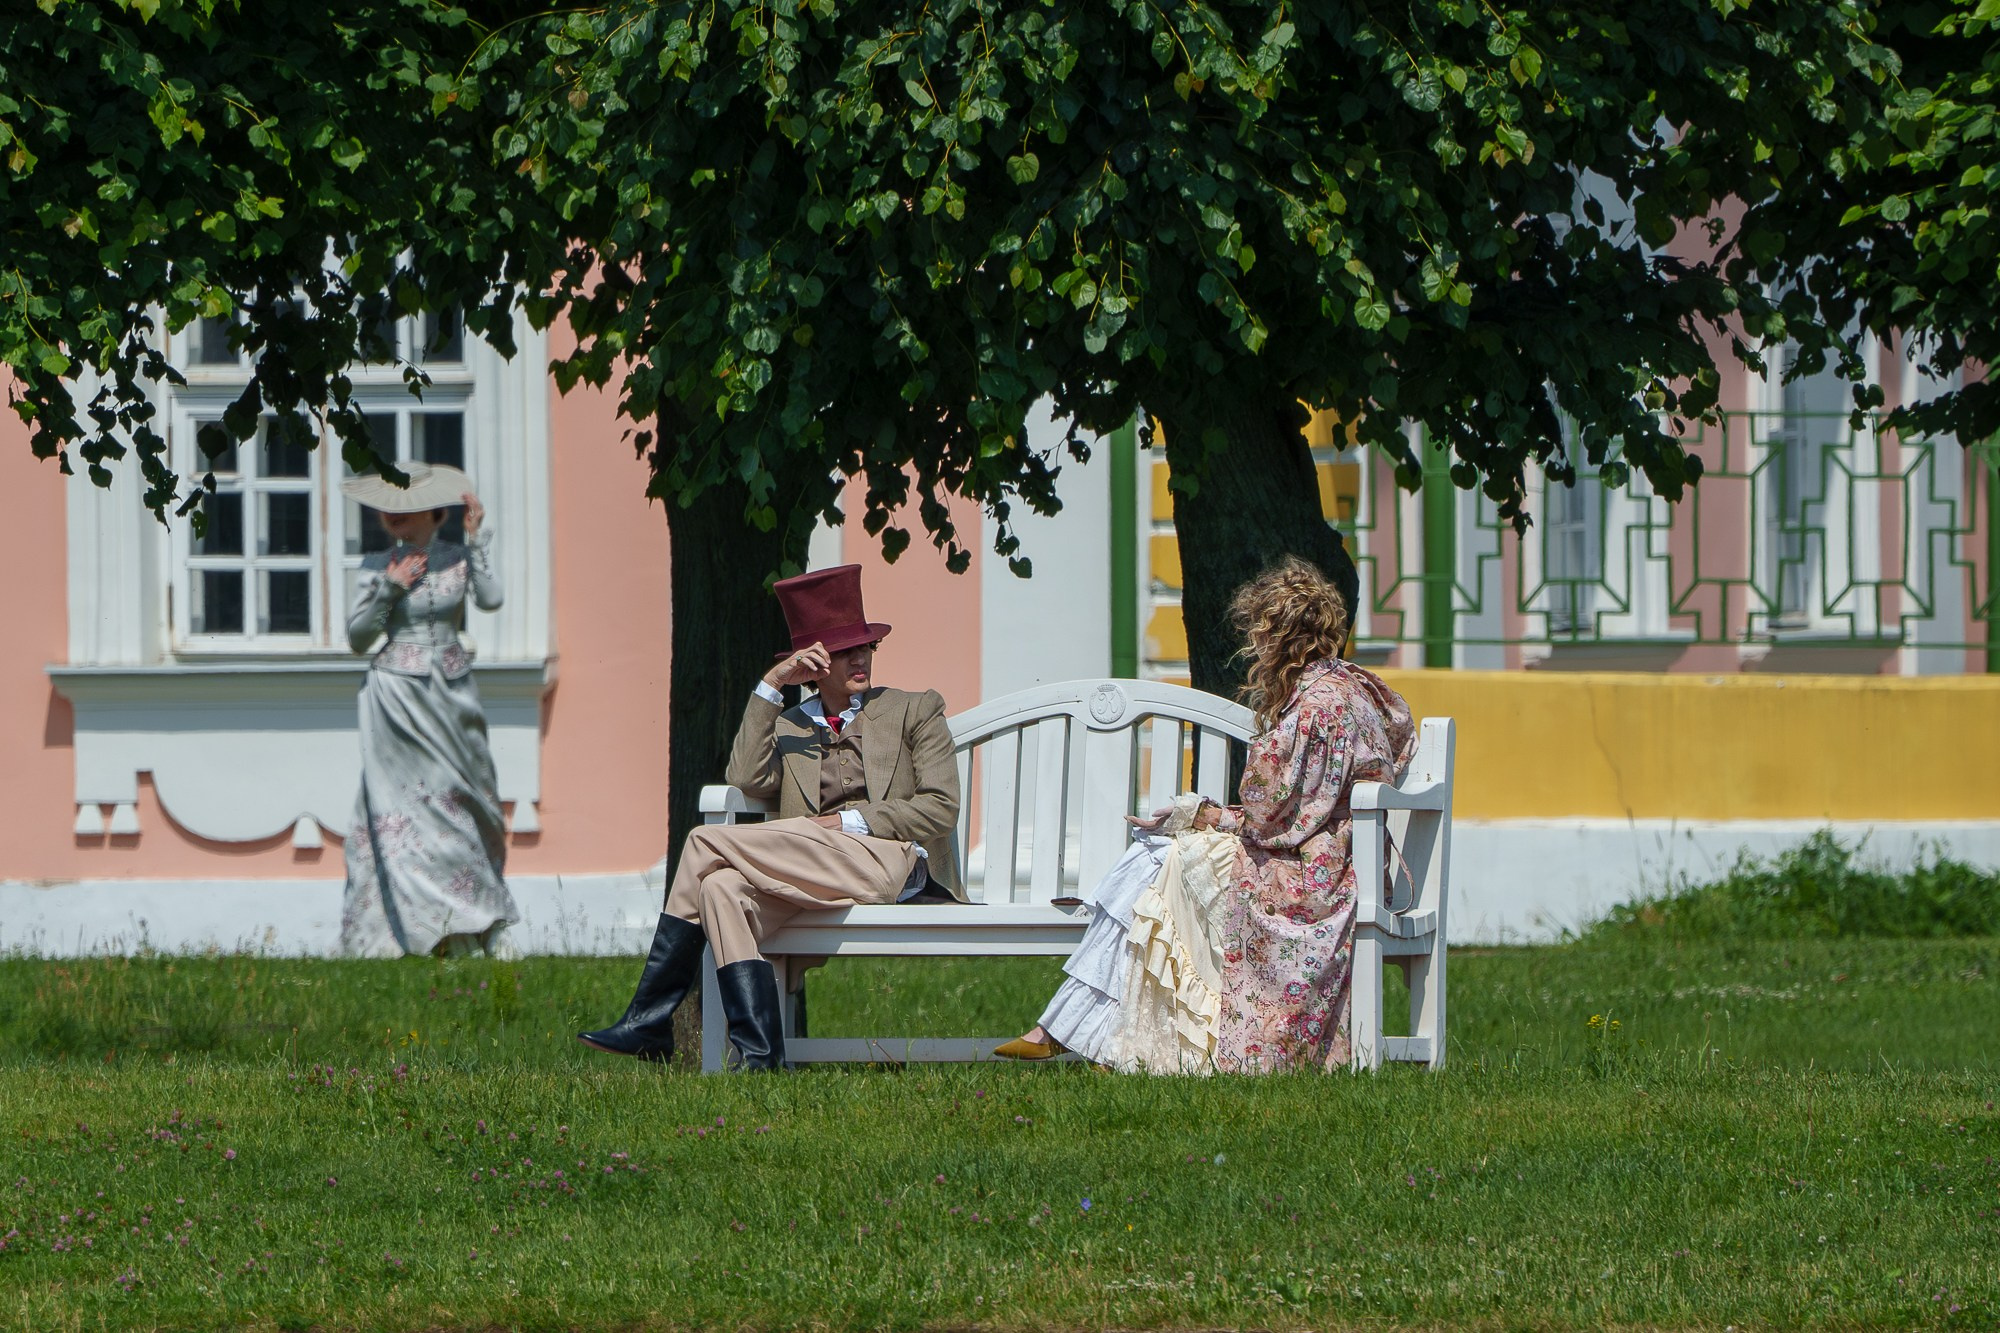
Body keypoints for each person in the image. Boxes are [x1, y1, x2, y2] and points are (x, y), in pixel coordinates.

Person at [997, 555, 1416, 1073]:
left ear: (1279, 636)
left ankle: (1093, 1037)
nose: (1255, 647)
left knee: (1156, 860)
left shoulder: (1312, 708)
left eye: (1261, 633)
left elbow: (1270, 820)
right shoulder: (1352, 688)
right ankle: (1086, 1035)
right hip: (1344, 859)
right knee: (1160, 857)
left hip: (1315, 876)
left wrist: (1198, 816)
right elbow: (1303, 809)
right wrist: (1195, 815)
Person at [578, 564, 962, 1070]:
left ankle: (650, 1017)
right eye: (843, 650)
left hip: (889, 862)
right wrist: (772, 683)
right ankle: (760, 1057)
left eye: (864, 645)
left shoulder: (914, 709)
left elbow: (941, 806)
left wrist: (846, 823)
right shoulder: (792, 725)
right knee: (719, 890)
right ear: (815, 663)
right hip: (808, 869)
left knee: (702, 843)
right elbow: (746, 777)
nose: (860, 656)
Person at [337, 463, 518, 959]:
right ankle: (447, 929)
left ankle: (481, 918)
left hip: (454, 697)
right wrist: (390, 587)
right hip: (396, 700)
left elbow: (493, 598)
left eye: (404, 508)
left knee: (466, 801)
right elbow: (357, 639)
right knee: (417, 809)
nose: (391, 517)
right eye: (387, 508)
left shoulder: (458, 558)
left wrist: (478, 541)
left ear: (434, 513)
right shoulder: (376, 565)